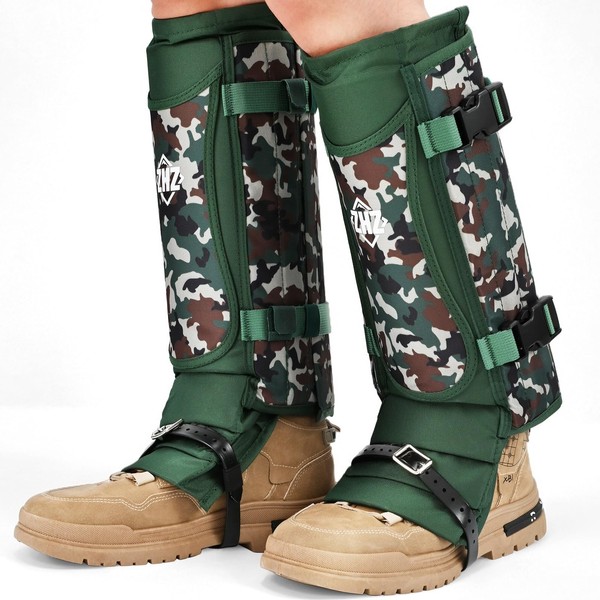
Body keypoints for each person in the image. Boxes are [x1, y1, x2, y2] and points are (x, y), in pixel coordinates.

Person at [15, 0, 562, 594]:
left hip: (477, 431)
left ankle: (476, 432)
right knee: (208, 8)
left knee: (337, 11)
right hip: (247, 420)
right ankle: (258, 425)